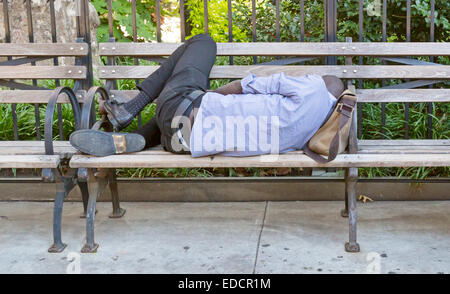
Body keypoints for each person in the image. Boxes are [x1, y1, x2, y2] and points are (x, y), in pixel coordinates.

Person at [70, 33, 344, 157]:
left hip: (182, 109)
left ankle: (132, 107)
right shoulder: (303, 138)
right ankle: (140, 138)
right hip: (181, 144)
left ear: (325, 85)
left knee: (202, 42)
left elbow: (244, 85)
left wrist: (205, 97)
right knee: (174, 119)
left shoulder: (314, 88)